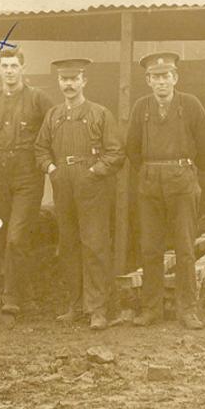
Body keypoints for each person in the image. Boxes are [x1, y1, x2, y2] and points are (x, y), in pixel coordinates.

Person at [126, 52, 205, 329]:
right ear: (148, 81)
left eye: (166, 76)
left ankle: (187, 310)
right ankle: (151, 308)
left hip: (182, 183)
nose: (161, 82)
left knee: (184, 248)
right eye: (156, 77)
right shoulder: (141, 108)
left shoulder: (190, 104)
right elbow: (132, 148)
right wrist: (151, 171)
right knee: (150, 248)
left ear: (175, 78)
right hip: (150, 183)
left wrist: (187, 171)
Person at [35, 58, 124, 330]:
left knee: (94, 245)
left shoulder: (99, 114)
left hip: (91, 184)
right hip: (63, 183)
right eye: (64, 79)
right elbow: (40, 149)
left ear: (84, 81)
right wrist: (52, 169)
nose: (69, 85)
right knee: (69, 245)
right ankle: (75, 305)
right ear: (59, 82)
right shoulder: (54, 116)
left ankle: (97, 309)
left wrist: (95, 171)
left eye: (74, 79)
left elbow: (116, 152)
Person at [0, 47, 53, 318]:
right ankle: (27, 293)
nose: (9, 71)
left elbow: (54, 131)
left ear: (23, 67)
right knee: (8, 236)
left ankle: (11, 296)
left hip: (28, 172)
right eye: (4, 66)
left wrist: (49, 165)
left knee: (17, 236)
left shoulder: (38, 99)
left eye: (13, 66)